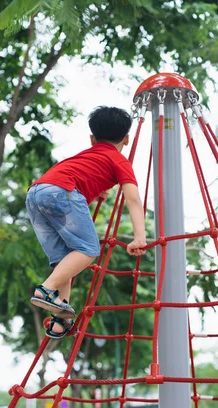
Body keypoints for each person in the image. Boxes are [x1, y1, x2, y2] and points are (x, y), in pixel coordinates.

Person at [26, 106, 147, 339]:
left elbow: (75, 177)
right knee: (89, 249)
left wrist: (95, 191)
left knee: (65, 259)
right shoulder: (120, 160)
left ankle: (61, 318)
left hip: (35, 193)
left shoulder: (86, 155)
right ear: (127, 139)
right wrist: (139, 236)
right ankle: (45, 290)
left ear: (92, 139)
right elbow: (132, 198)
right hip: (61, 192)